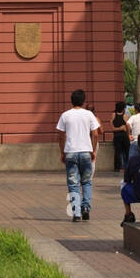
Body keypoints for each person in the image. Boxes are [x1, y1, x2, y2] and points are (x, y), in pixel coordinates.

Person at [56, 88, 100, 222]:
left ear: (71, 100)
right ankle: (86, 207)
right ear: (83, 101)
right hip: (86, 151)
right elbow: (96, 133)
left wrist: (62, 151)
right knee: (86, 182)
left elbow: (61, 135)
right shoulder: (88, 115)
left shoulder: (65, 115)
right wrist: (92, 150)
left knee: (73, 184)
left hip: (70, 152)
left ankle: (76, 213)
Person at [110, 101, 131, 173]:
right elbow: (127, 128)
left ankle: (117, 168)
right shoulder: (125, 116)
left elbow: (113, 128)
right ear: (123, 108)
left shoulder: (113, 115)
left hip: (116, 136)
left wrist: (117, 129)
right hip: (124, 136)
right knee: (126, 152)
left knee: (117, 152)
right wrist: (122, 129)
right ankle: (127, 167)